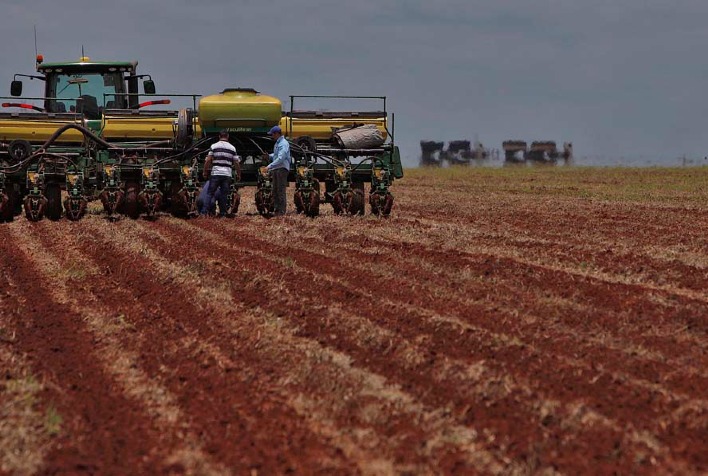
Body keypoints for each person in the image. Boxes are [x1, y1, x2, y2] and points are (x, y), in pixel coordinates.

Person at [202, 130, 239, 217]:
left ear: (219, 136)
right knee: (224, 194)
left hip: (216, 173)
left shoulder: (214, 146)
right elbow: (236, 162)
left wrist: (205, 171)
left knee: (210, 193)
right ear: (228, 136)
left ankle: (203, 213)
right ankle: (223, 214)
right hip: (227, 174)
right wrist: (238, 173)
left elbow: (208, 160)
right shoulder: (232, 148)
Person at [264, 125, 290, 216]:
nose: (272, 136)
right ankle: (277, 210)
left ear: (277, 134)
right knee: (275, 190)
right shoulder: (278, 143)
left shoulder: (283, 143)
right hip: (277, 168)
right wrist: (269, 156)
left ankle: (281, 211)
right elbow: (276, 155)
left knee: (280, 190)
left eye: (272, 134)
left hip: (281, 169)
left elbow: (281, 158)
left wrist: (269, 166)